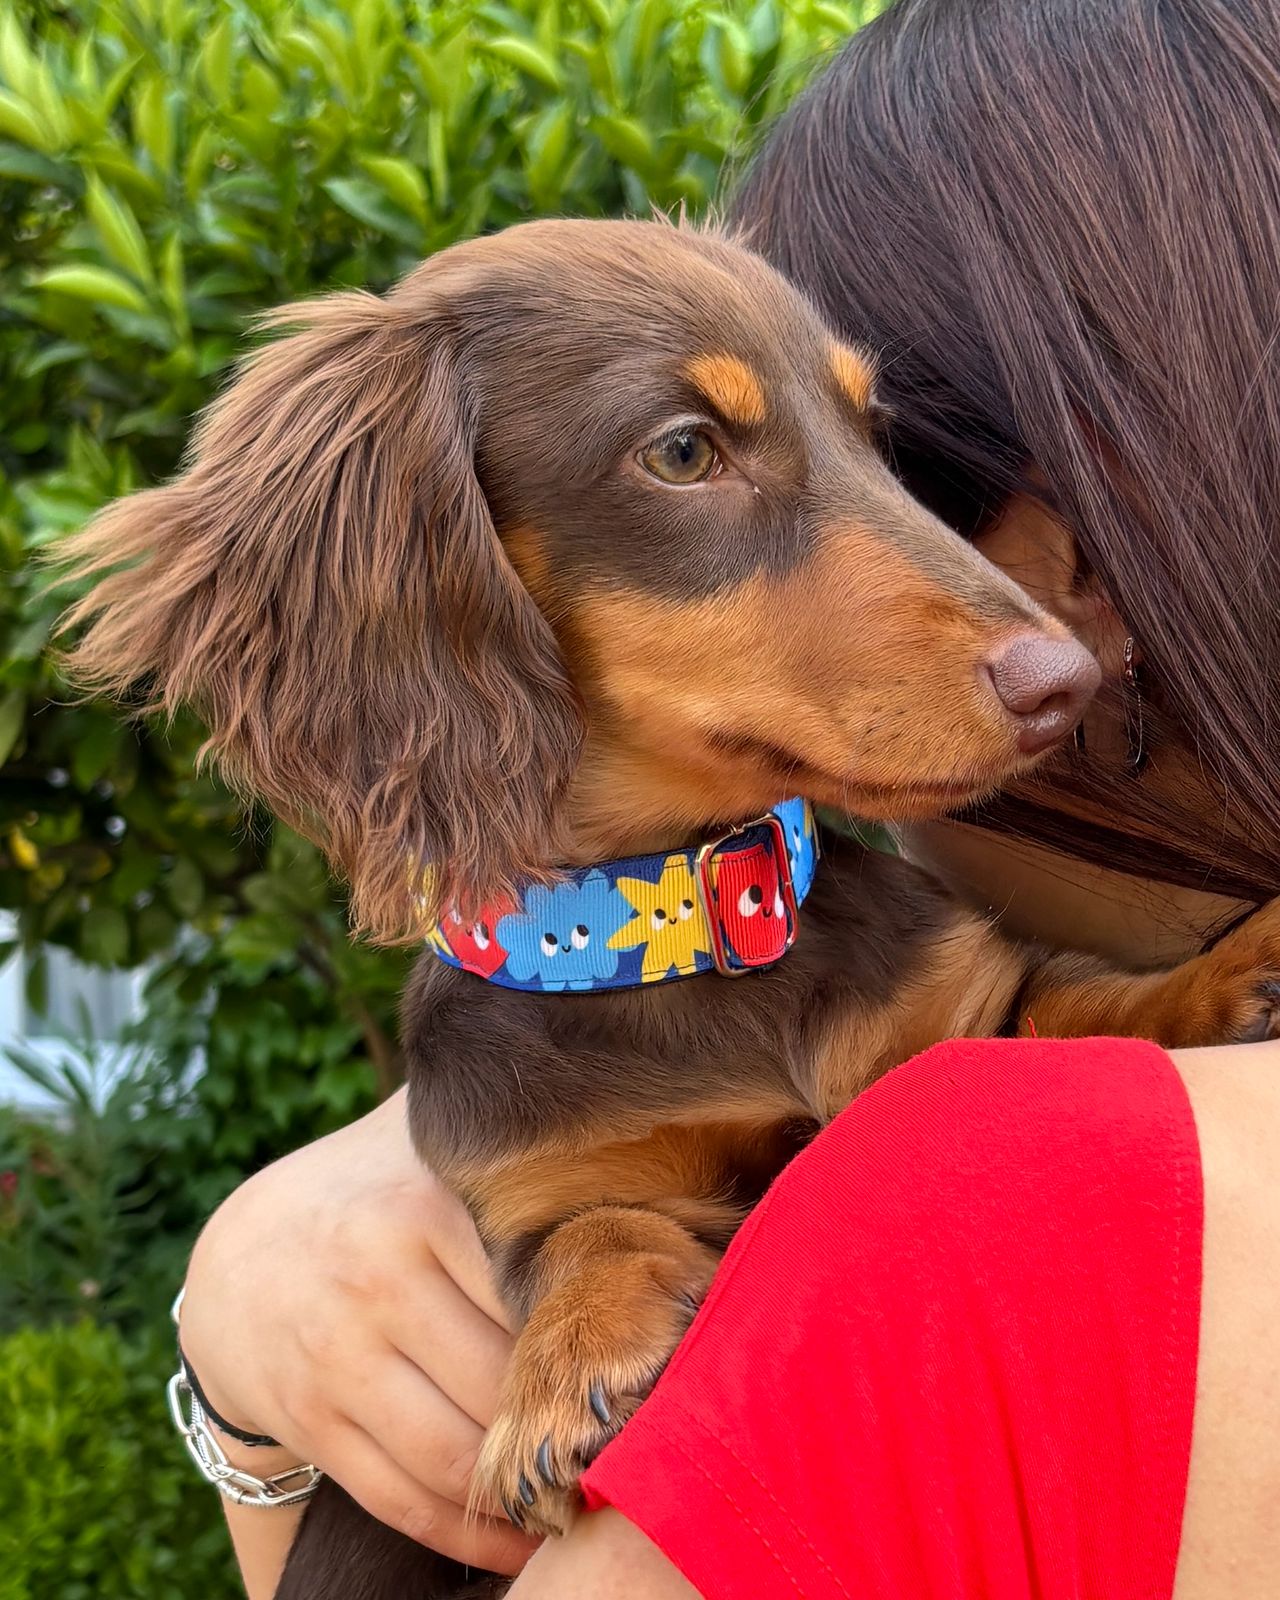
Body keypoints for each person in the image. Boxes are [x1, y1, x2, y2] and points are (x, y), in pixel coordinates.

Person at [175, 1, 1280, 1594]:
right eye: (689, 454)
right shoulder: (467, 1125)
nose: (1030, 637)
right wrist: (268, 1355)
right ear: (433, 574)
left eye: (898, 454)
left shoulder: (996, 1159)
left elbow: (1019, 1032)